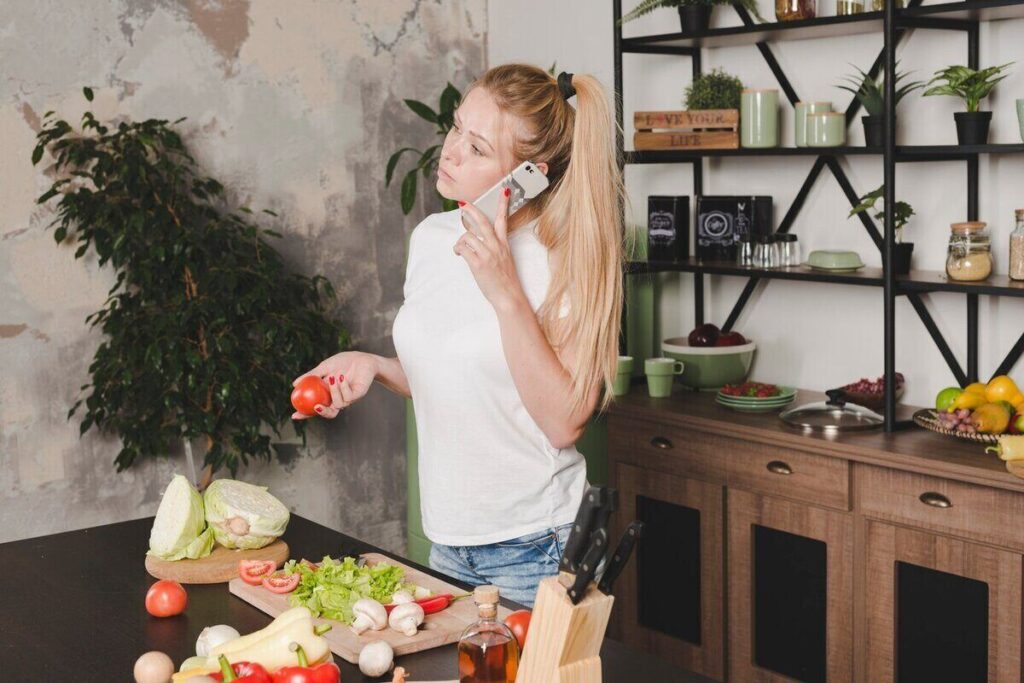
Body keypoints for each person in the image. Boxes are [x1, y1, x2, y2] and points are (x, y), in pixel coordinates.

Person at [293, 64, 625, 607]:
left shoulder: (567, 260)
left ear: (531, 175)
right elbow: (463, 378)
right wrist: (374, 366)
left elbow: (565, 421)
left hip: (536, 546)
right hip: (446, 542)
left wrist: (504, 290)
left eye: (476, 148)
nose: (449, 153)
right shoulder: (432, 237)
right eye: (455, 130)